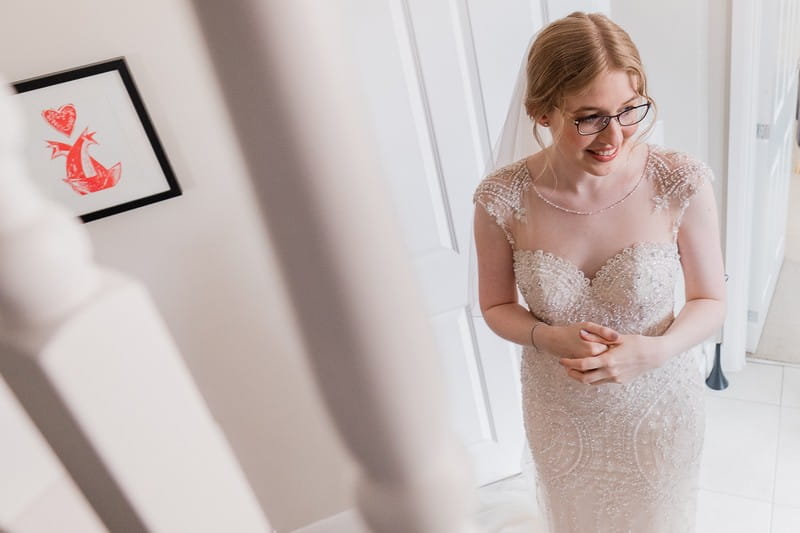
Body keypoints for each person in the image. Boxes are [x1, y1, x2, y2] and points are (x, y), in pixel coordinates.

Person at [472, 12, 726, 533]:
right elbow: (496, 307)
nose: (615, 136)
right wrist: (545, 336)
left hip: (659, 405)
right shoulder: (502, 198)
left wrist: (653, 351)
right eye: (588, 117)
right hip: (559, 410)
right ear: (541, 112)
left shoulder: (680, 181)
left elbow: (711, 301)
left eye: (630, 109)